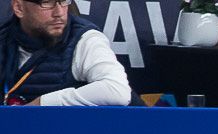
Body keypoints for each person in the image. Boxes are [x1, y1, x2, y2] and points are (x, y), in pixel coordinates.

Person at [1, 0, 130, 106]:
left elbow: (118, 90)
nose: (59, 13)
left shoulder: (85, 40)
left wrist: (42, 103)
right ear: (19, 8)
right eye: (47, 3)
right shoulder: (4, 38)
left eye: (63, 1)